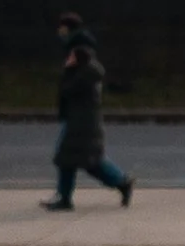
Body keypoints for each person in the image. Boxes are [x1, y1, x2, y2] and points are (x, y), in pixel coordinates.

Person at [43, 42, 136, 211]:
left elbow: (66, 91)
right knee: (88, 163)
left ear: (78, 59)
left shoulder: (83, 77)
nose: (68, 59)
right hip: (81, 126)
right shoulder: (87, 74)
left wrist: (67, 70)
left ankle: (65, 198)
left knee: (72, 161)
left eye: (71, 57)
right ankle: (121, 182)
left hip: (81, 127)